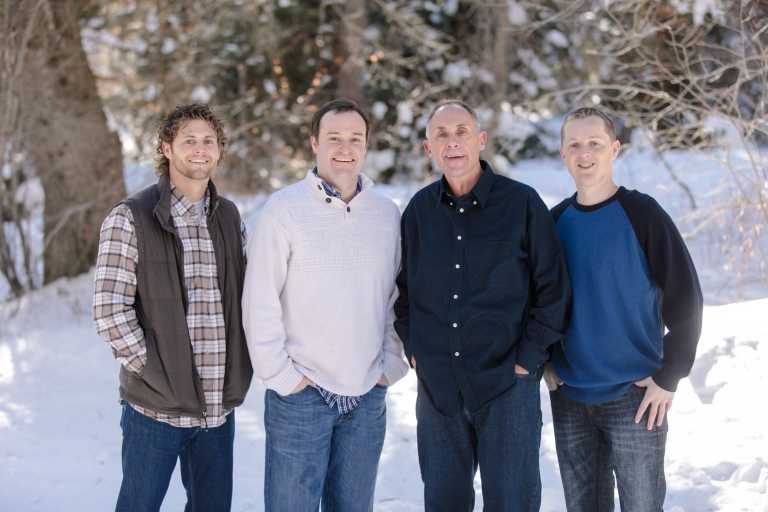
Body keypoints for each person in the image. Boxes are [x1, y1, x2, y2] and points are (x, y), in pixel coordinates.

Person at [394, 99, 572, 511]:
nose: (452, 142)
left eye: (461, 132)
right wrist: (416, 349)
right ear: (428, 148)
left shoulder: (522, 203)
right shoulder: (418, 211)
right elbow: (403, 292)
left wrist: (528, 358)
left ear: (481, 140)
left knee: (512, 503)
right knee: (443, 503)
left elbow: (554, 289)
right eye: (441, 135)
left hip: (507, 384)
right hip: (439, 390)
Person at [243, 98, 409, 512]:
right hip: (301, 396)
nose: (345, 148)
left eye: (355, 139)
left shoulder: (386, 215)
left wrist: (391, 366)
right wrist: (282, 377)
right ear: (315, 143)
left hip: (366, 395)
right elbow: (259, 301)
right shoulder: (284, 210)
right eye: (334, 137)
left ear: (366, 146)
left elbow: (397, 297)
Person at [93, 103, 252, 512]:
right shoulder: (129, 218)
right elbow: (109, 310)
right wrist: (152, 371)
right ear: (166, 148)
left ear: (219, 150)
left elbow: (249, 298)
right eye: (188, 141)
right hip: (155, 409)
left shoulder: (230, 217)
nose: (199, 150)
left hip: (217, 409)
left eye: (208, 141)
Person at [547, 107, 703, 511]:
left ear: (614, 149)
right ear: (562, 154)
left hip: (635, 397)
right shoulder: (555, 223)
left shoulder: (643, 214)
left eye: (595, 143)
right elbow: (537, 302)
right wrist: (544, 361)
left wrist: (669, 376)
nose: (585, 153)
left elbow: (685, 298)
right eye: (575, 145)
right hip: (570, 396)